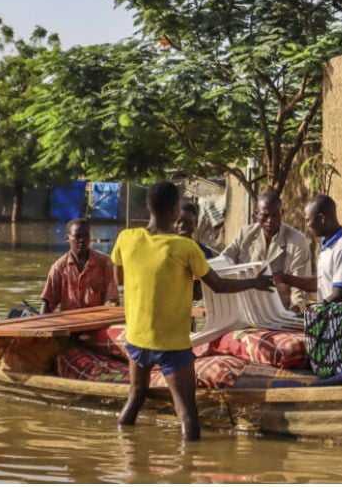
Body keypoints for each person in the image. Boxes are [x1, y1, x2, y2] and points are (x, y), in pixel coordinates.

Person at [112, 181, 273, 441]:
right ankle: (189, 469)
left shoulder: (126, 239)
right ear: (175, 210)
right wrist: (255, 281)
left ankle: (125, 456)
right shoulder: (186, 249)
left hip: (136, 340)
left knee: (136, 396)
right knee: (187, 412)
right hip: (172, 346)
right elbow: (218, 286)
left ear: (149, 207)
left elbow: (119, 279)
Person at [221, 189, 313, 312]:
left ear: (282, 213)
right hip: (245, 309)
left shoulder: (298, 241)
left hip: (280, 311)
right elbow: (224, 261)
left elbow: (299, 288)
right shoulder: (245, 235)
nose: (270, 220)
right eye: (265, 215)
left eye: (275, 215)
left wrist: (293, 311)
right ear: (256, 214)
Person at [273, 194, 342, 304]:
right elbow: (321, 283)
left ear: (322, 219)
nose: (307, 225)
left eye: (308, 220)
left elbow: (339, 295)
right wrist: (285, 278)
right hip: (331, 316)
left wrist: (316, 311)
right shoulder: (328, 246)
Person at [40, 218, 118, 313]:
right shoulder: (58, 268)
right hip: (70, 323)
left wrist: (108, 310)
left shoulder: (104, 263)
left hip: (98, 321)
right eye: (77, 236)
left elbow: (112, 299)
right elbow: (47, 302)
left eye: (86, 236)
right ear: (67, 238)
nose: (82, 240)